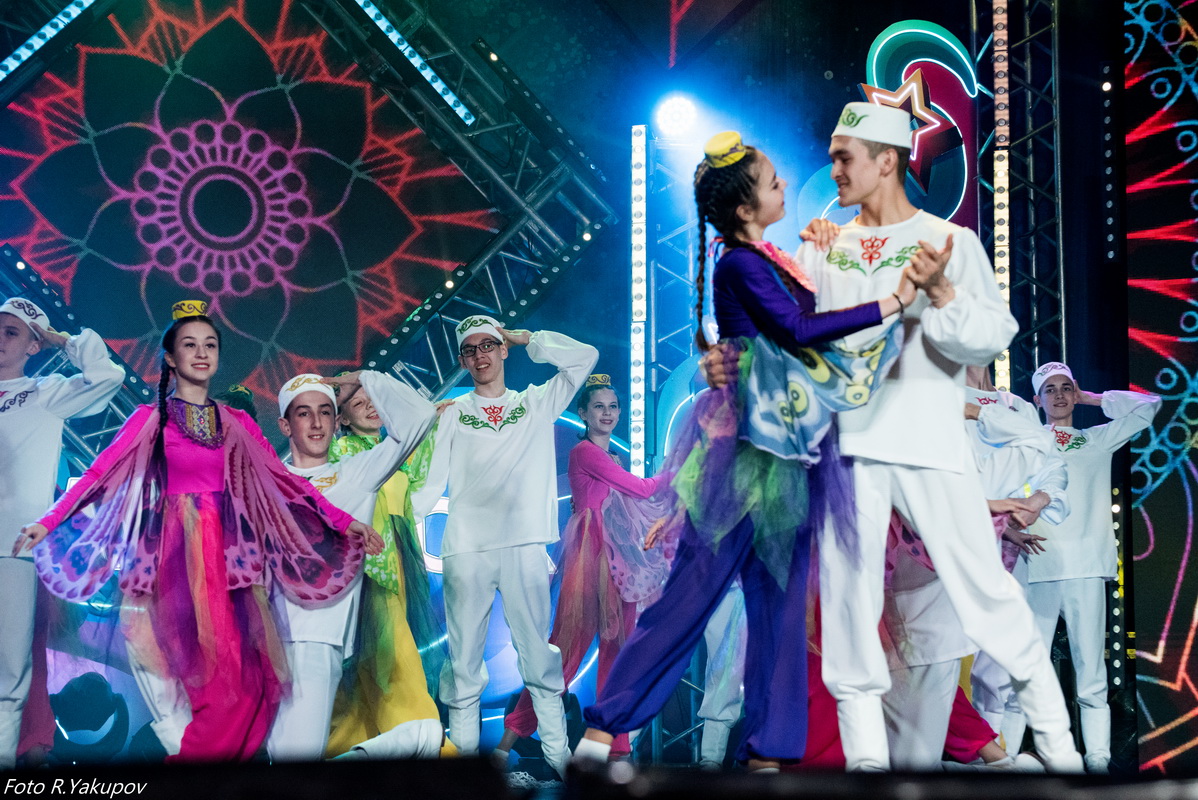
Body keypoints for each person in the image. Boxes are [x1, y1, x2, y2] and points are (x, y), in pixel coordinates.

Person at [576, 130, 916, 771]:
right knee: (692, 594)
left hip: (790, 450)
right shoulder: (738, 263)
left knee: (780, 608)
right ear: (743, 206)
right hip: (745, 451)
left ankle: (770, 750)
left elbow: (811, 320)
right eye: (771, 181)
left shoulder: (771, 258)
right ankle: (604, 729)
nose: (783, 184)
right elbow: (795, 329)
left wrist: (828, 250)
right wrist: (893, 302)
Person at [798, 100, 1081, 771]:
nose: (834, 170)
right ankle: (868, 768)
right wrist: (811, 269)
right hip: (855, 454)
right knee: (849, 610)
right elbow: (815, 345)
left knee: (988, 596)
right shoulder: (828, 246)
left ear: (886, 161)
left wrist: (944, 294)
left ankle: (1061, 752)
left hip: (929, 445)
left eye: (845, 157)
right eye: (833, 157)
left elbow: (992, 336)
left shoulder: (949, 240)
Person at [17, 300, 380, 762]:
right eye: (190, 345)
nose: (202, 353)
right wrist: (48, 521)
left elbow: (286, 481)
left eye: (210, 344)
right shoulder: (152, 420)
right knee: (217, 686)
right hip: (180, 558)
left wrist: (346, 522)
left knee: (255, 690)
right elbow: (97, 475)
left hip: (234, 560)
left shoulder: (236, 422)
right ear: (171, 357)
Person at [411, 315, 598, 778]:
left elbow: (585, 358)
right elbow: (430, 482)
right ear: (462, 360)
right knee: (464, 663)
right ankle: (463, 775)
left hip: (524, 543)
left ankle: (560, 762)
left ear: (503, 350)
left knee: (538, 657)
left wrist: (527, 337)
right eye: (470, 350)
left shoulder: (534, 402)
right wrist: (398, 527)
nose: (481, 355)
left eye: (489, 345)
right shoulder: (452, 412)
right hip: (467, 548)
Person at [494, 374, 671, 765]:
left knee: (617, 655)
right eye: (598, 407)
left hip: (618, 559)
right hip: (592, 556)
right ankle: (505, 746)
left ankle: (616, 749)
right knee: (565, 653)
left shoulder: (610, 458)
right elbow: (642, 490)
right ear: (583, 414)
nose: (607, 413)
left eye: (613, 406)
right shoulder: (585, 453)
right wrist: (678, 471)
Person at [267, 370, 444, 761]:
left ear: (336, 421)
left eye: (325, 412)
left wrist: (363, 377)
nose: (316, 423)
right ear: (285, 425)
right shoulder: (268, 480)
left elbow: (420, 418)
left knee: (295, 757)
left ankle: (412, 740)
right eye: (303, 413)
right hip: (265, 638)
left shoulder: (356, 472)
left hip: (320, 639)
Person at [1018, 361, 1161, 772]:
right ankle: (1007, 758)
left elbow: (1151, 405)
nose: (1059, 395)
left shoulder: (1096, 439)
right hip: (1036, 563)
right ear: (1037, 400)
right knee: (1024, 668)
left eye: (1066, 387)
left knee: (1091, 670)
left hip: (1084, 565)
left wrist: (1093, 399)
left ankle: (1098, 759)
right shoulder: (1025, 441)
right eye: (1050, 389)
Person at [0, 296, 124, 768]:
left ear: (34, 346)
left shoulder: (45, 393)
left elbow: (107, 377)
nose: (0, 339)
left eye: (12, 332)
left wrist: (64, 341)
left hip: (13, 548)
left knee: (10, 674)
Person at [330, 374, 447, 697]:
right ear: (343, 419)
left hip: (402, 551)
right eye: (358, 403)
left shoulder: (394, 449)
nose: (370, 407)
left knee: (401, 637)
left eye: (373, 399)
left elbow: (418, 472)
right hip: (371, 561)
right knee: (385, 646)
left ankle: (399, 712)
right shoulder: (344, 451)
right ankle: (397, 711)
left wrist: (432, 424)